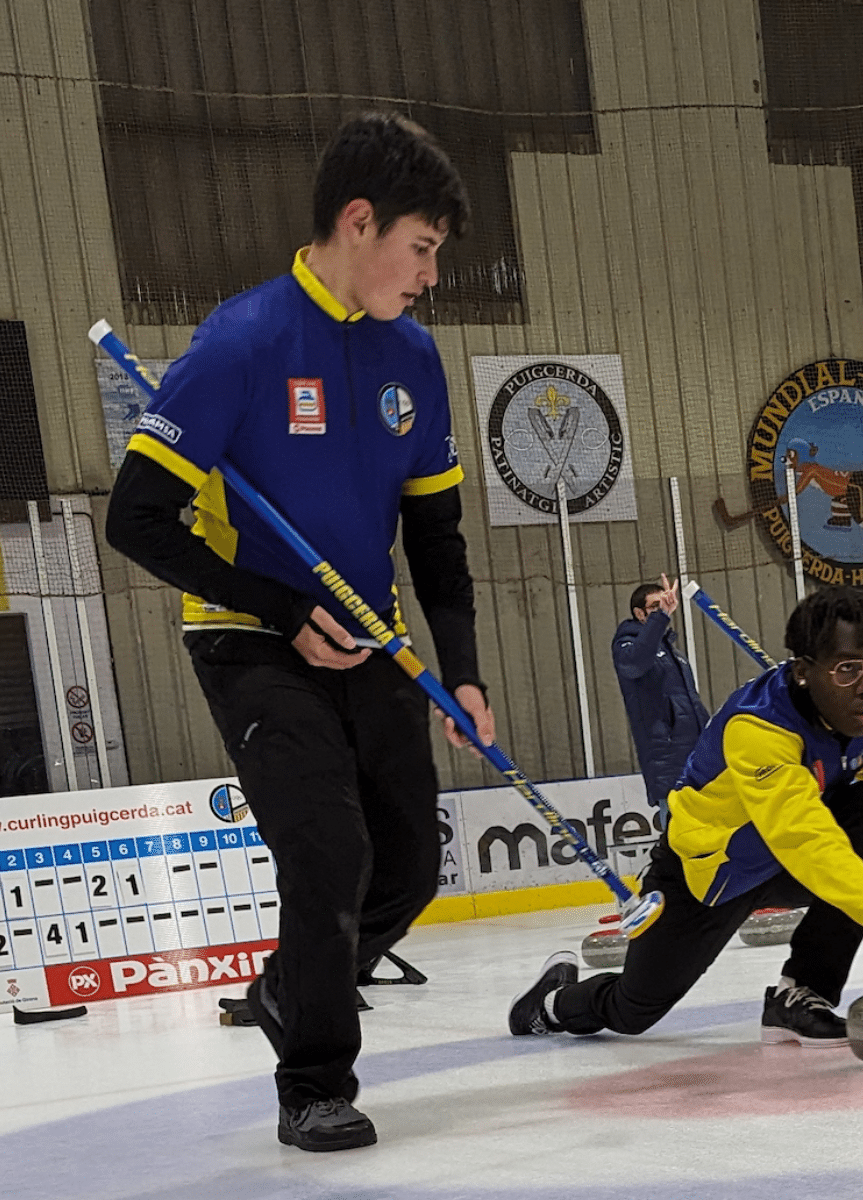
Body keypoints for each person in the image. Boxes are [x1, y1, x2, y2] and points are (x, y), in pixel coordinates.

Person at [106, 112, 494, 1152]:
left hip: (371, 640)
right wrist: (282, 608)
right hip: (253, 641)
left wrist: (463, 675)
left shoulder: (414, 355)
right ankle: (314, 1078)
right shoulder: (241, 345)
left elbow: (436, 534)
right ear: (358, 223)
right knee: (327, 853)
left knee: (407, 865)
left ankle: (292, 985)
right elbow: (134, 517)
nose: (428, 277)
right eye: (421, 250)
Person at [509, 586, 863, 1044]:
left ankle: (803, 990)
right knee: (634, 1010)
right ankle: (552, 1002)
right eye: (846, 669)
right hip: (711, 868)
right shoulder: (759, 729)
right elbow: (805, 840)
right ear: (803, 670)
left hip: (781, 858)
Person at [612, 574, 709, 822]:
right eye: (654, 607)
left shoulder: (672, 652)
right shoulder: (627, 644)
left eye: (664, 604)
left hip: (698, 761)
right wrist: (661, 617)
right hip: (669, 765)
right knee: (679, 846)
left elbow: (690, 703)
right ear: (639, 613)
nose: (661, 611)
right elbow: (635, 663)